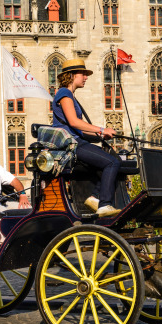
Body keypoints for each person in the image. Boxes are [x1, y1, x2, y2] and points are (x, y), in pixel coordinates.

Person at [52, 57, 122, 217]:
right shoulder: (64, 93)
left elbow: (81, 129)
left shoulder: (70, 95)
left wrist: (100, 136)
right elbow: (74, 122)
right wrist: (101, 129)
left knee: (107, 161)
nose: (86, 77)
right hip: (71, 144)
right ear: (71, 76)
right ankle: (103, 204)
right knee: (112, 162)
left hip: (76, 140)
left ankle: (95, 197)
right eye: (82, 74)